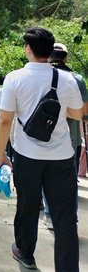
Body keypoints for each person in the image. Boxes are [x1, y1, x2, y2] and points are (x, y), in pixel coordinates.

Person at [0, 27, 84, 272]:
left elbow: (5, 119)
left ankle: (25, 252)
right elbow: (78, 115)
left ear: (28, 49)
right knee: (65, 219)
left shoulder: (14, 78)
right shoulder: (67, 80)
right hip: (61, 158)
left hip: (27, 156)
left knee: (28, 205)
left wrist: (1, 155)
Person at [42, 42, 88, 230]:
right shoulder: (77, 79)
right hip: (71, 139)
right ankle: (70, 218)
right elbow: (84, 112)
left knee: (46, 178)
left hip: (43, 135)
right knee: (69, 182)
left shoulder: (41, 75)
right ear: (66, 58)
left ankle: (49, 214)